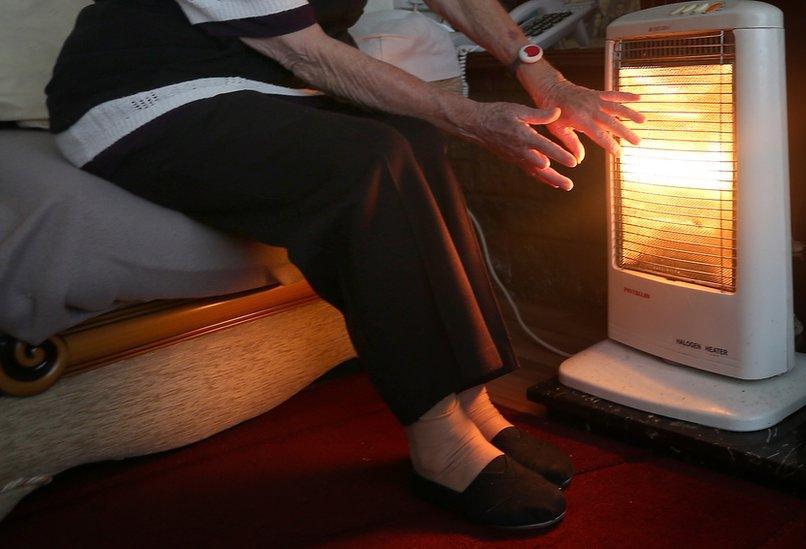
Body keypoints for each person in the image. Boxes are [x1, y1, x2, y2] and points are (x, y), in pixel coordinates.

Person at [45, 0, 643, 530]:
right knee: (370, 161)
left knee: (419, 139)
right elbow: (310, 56)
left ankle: (471, 401)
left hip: (257, 84)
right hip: (140, 94)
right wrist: (473, 117)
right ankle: (439, 441)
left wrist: (542, 74)